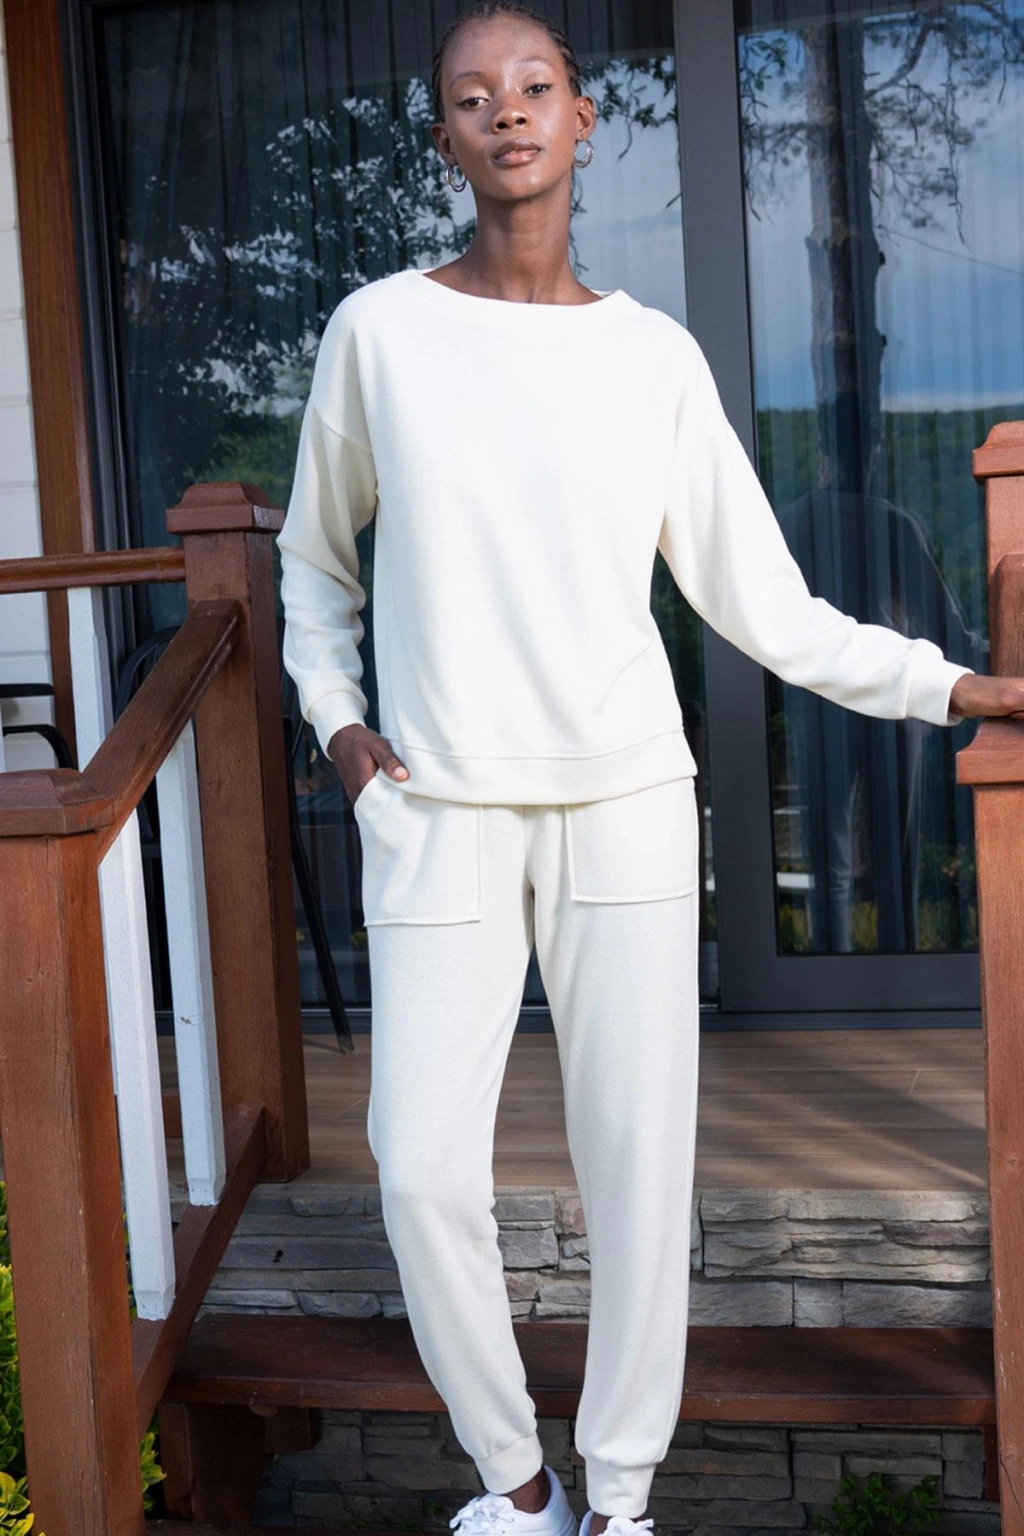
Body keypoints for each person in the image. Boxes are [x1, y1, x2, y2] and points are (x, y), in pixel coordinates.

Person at [275, 5, 1021, 1534]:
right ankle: (518, 1483)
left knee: (635, 1173)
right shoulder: (380, 334)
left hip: (624, 803)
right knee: (419, 1170)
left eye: (534, 86)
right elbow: (310, 564)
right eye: (473, 96)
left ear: (583, 116)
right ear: (444, 136)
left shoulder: (652, 359)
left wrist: (955, 687)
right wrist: (341, 729)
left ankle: (620, 1502)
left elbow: (770, 608)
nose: (507, 113)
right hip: (434, 808)